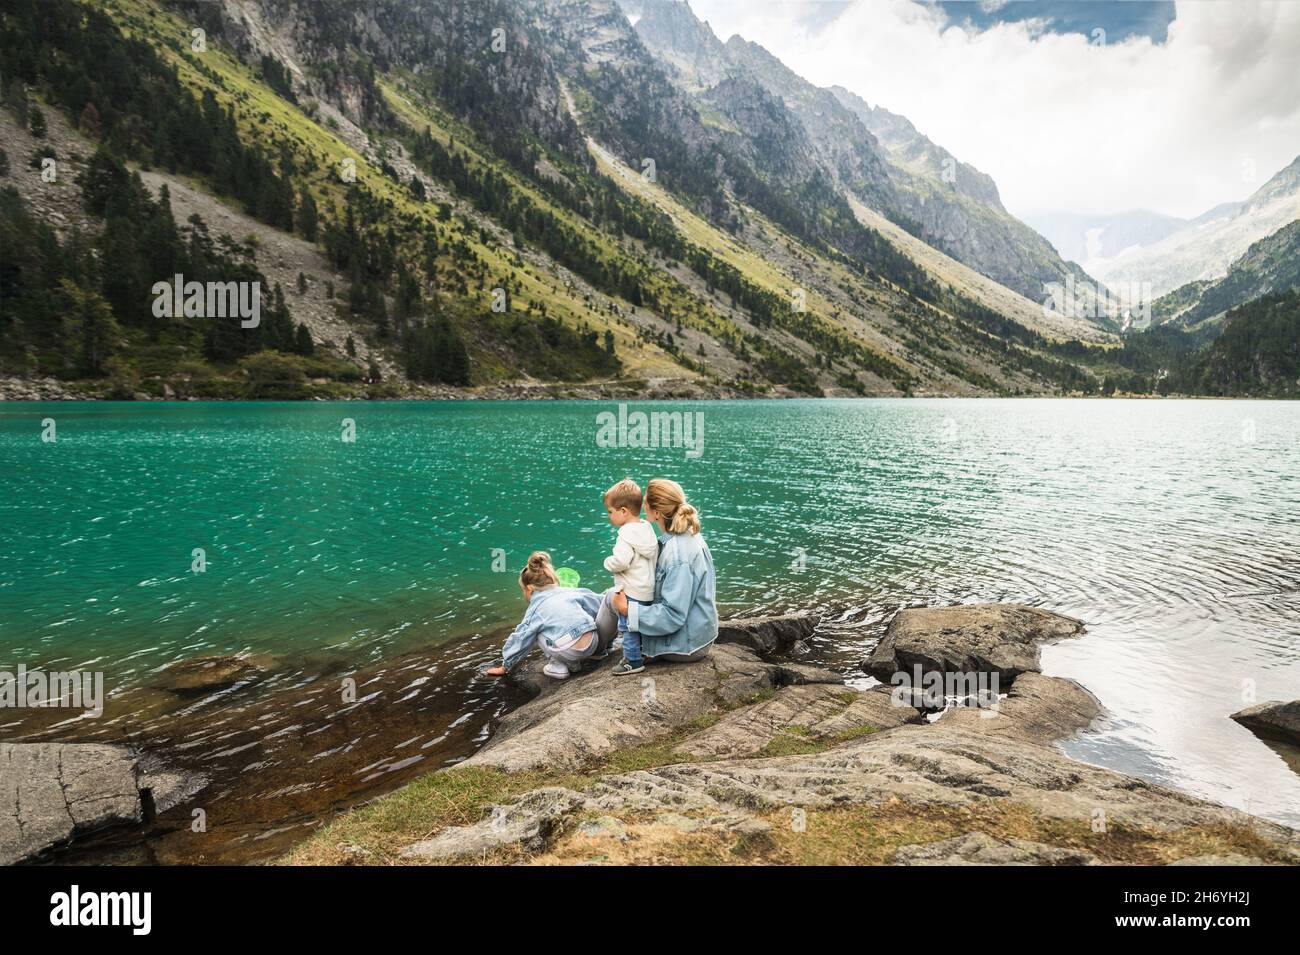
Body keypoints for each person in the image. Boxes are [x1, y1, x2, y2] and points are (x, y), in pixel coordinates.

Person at [607, 478, 717, 664]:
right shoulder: (683, 537)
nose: (642, 505)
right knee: (611, 596)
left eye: (646, 501)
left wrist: (628, 610)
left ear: (656, 512)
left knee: (614, 600)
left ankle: (590, 651)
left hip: (685, 646)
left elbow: (673, 615)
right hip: (692, 635)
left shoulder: (678, 555)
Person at [484, 552, 602, 680]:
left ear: (529, 589)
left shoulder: (535, 609)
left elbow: (521, 638)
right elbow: (598, 603)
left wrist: (506, 666)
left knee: (534, 631)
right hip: (593, 643)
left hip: (569, 652)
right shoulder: (570, 591)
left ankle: (558, 667)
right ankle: (576, 663)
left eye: (523, 590)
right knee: (583, 612)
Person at [602, 478, 658, 676]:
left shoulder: (625, 534)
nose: (609, 516)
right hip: (647, 589)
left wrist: (608, 562)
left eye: (610, 511)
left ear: (623, 511)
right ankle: (645, 652)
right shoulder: (646, 528)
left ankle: (633, 660)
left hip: (632, 589)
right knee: (641, 623)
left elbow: (622, 561)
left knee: (628, 626)